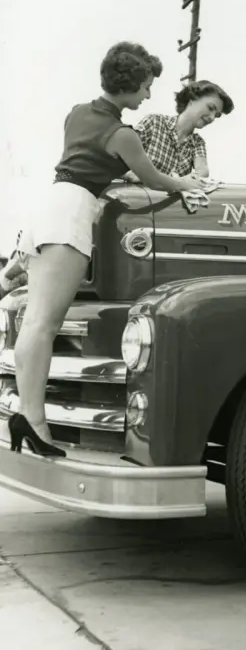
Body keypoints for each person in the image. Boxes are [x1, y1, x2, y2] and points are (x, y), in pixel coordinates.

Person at [12, 42, 205, 458]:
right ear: (130, 85)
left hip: (48, 205)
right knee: (45, 325)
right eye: (147, 87)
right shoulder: (123, 135)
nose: (149, 96)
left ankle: (28, 417)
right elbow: (157, 179)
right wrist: (188, 184)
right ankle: (35, 422)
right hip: (72, 214)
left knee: (35, 323)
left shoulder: (78, 113)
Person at [132, 79, 234, 179]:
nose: (212, 118)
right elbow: (118, 157)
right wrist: (133, 175)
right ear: (192, 100)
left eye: (217, 115)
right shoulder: (154, 122)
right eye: (211, 108)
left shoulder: (197, 142)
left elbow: (202, 173)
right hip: (136, 194)